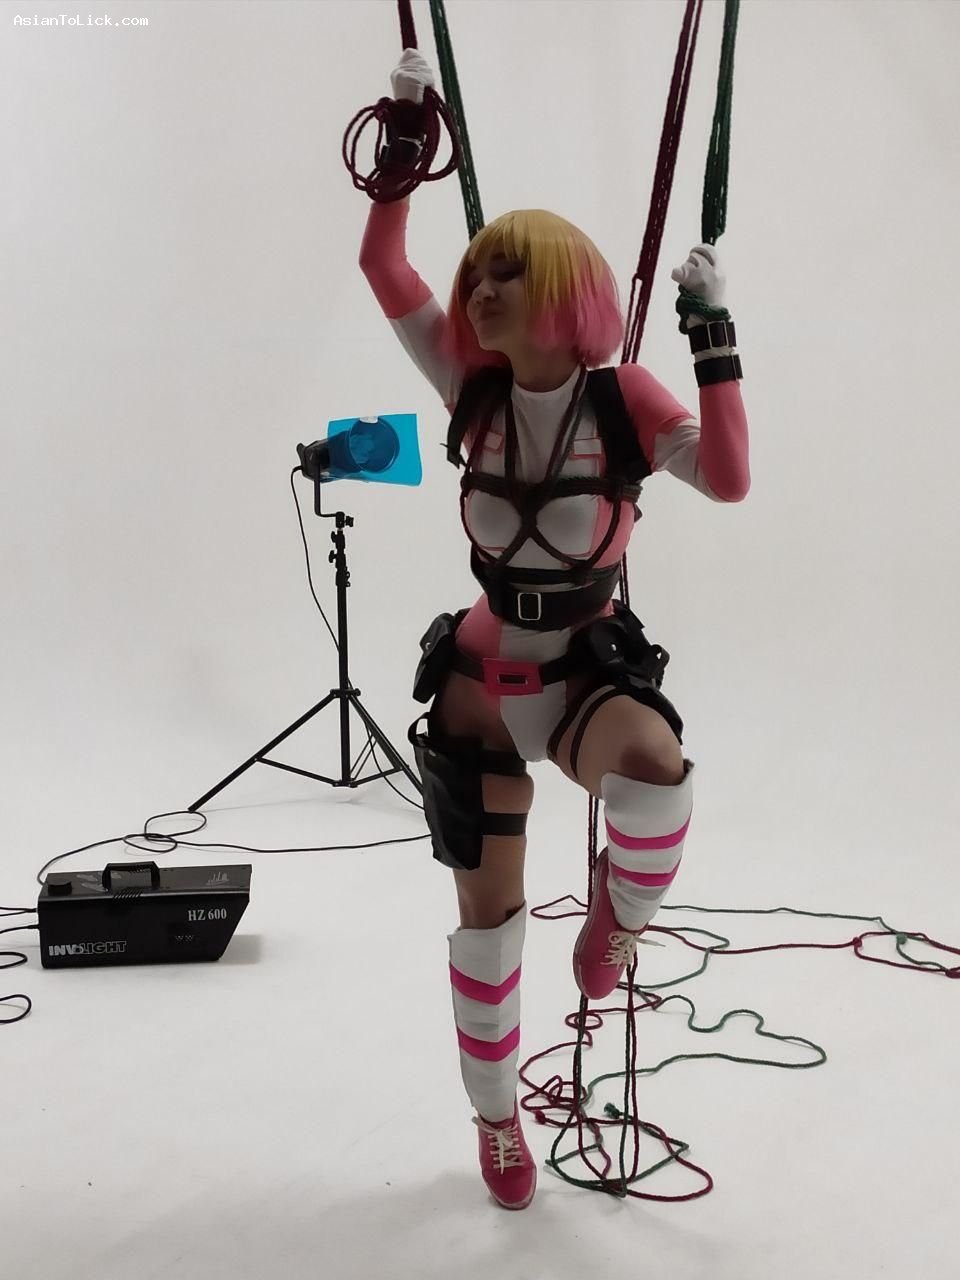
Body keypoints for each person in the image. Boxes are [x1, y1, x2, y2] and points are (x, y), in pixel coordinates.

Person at [358, 49, 750, 1211]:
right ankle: (496, 1121)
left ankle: (615, 928)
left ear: (566, 290)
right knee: (486, 925)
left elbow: (727, 477)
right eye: (477, 274)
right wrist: (406, 132)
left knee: (659, 778)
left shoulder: (622, 399)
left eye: (507, 273)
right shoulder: (467, 387)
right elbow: (385, 264)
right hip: (486, 677)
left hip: (585, 667)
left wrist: (713, 337)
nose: (480, 291)